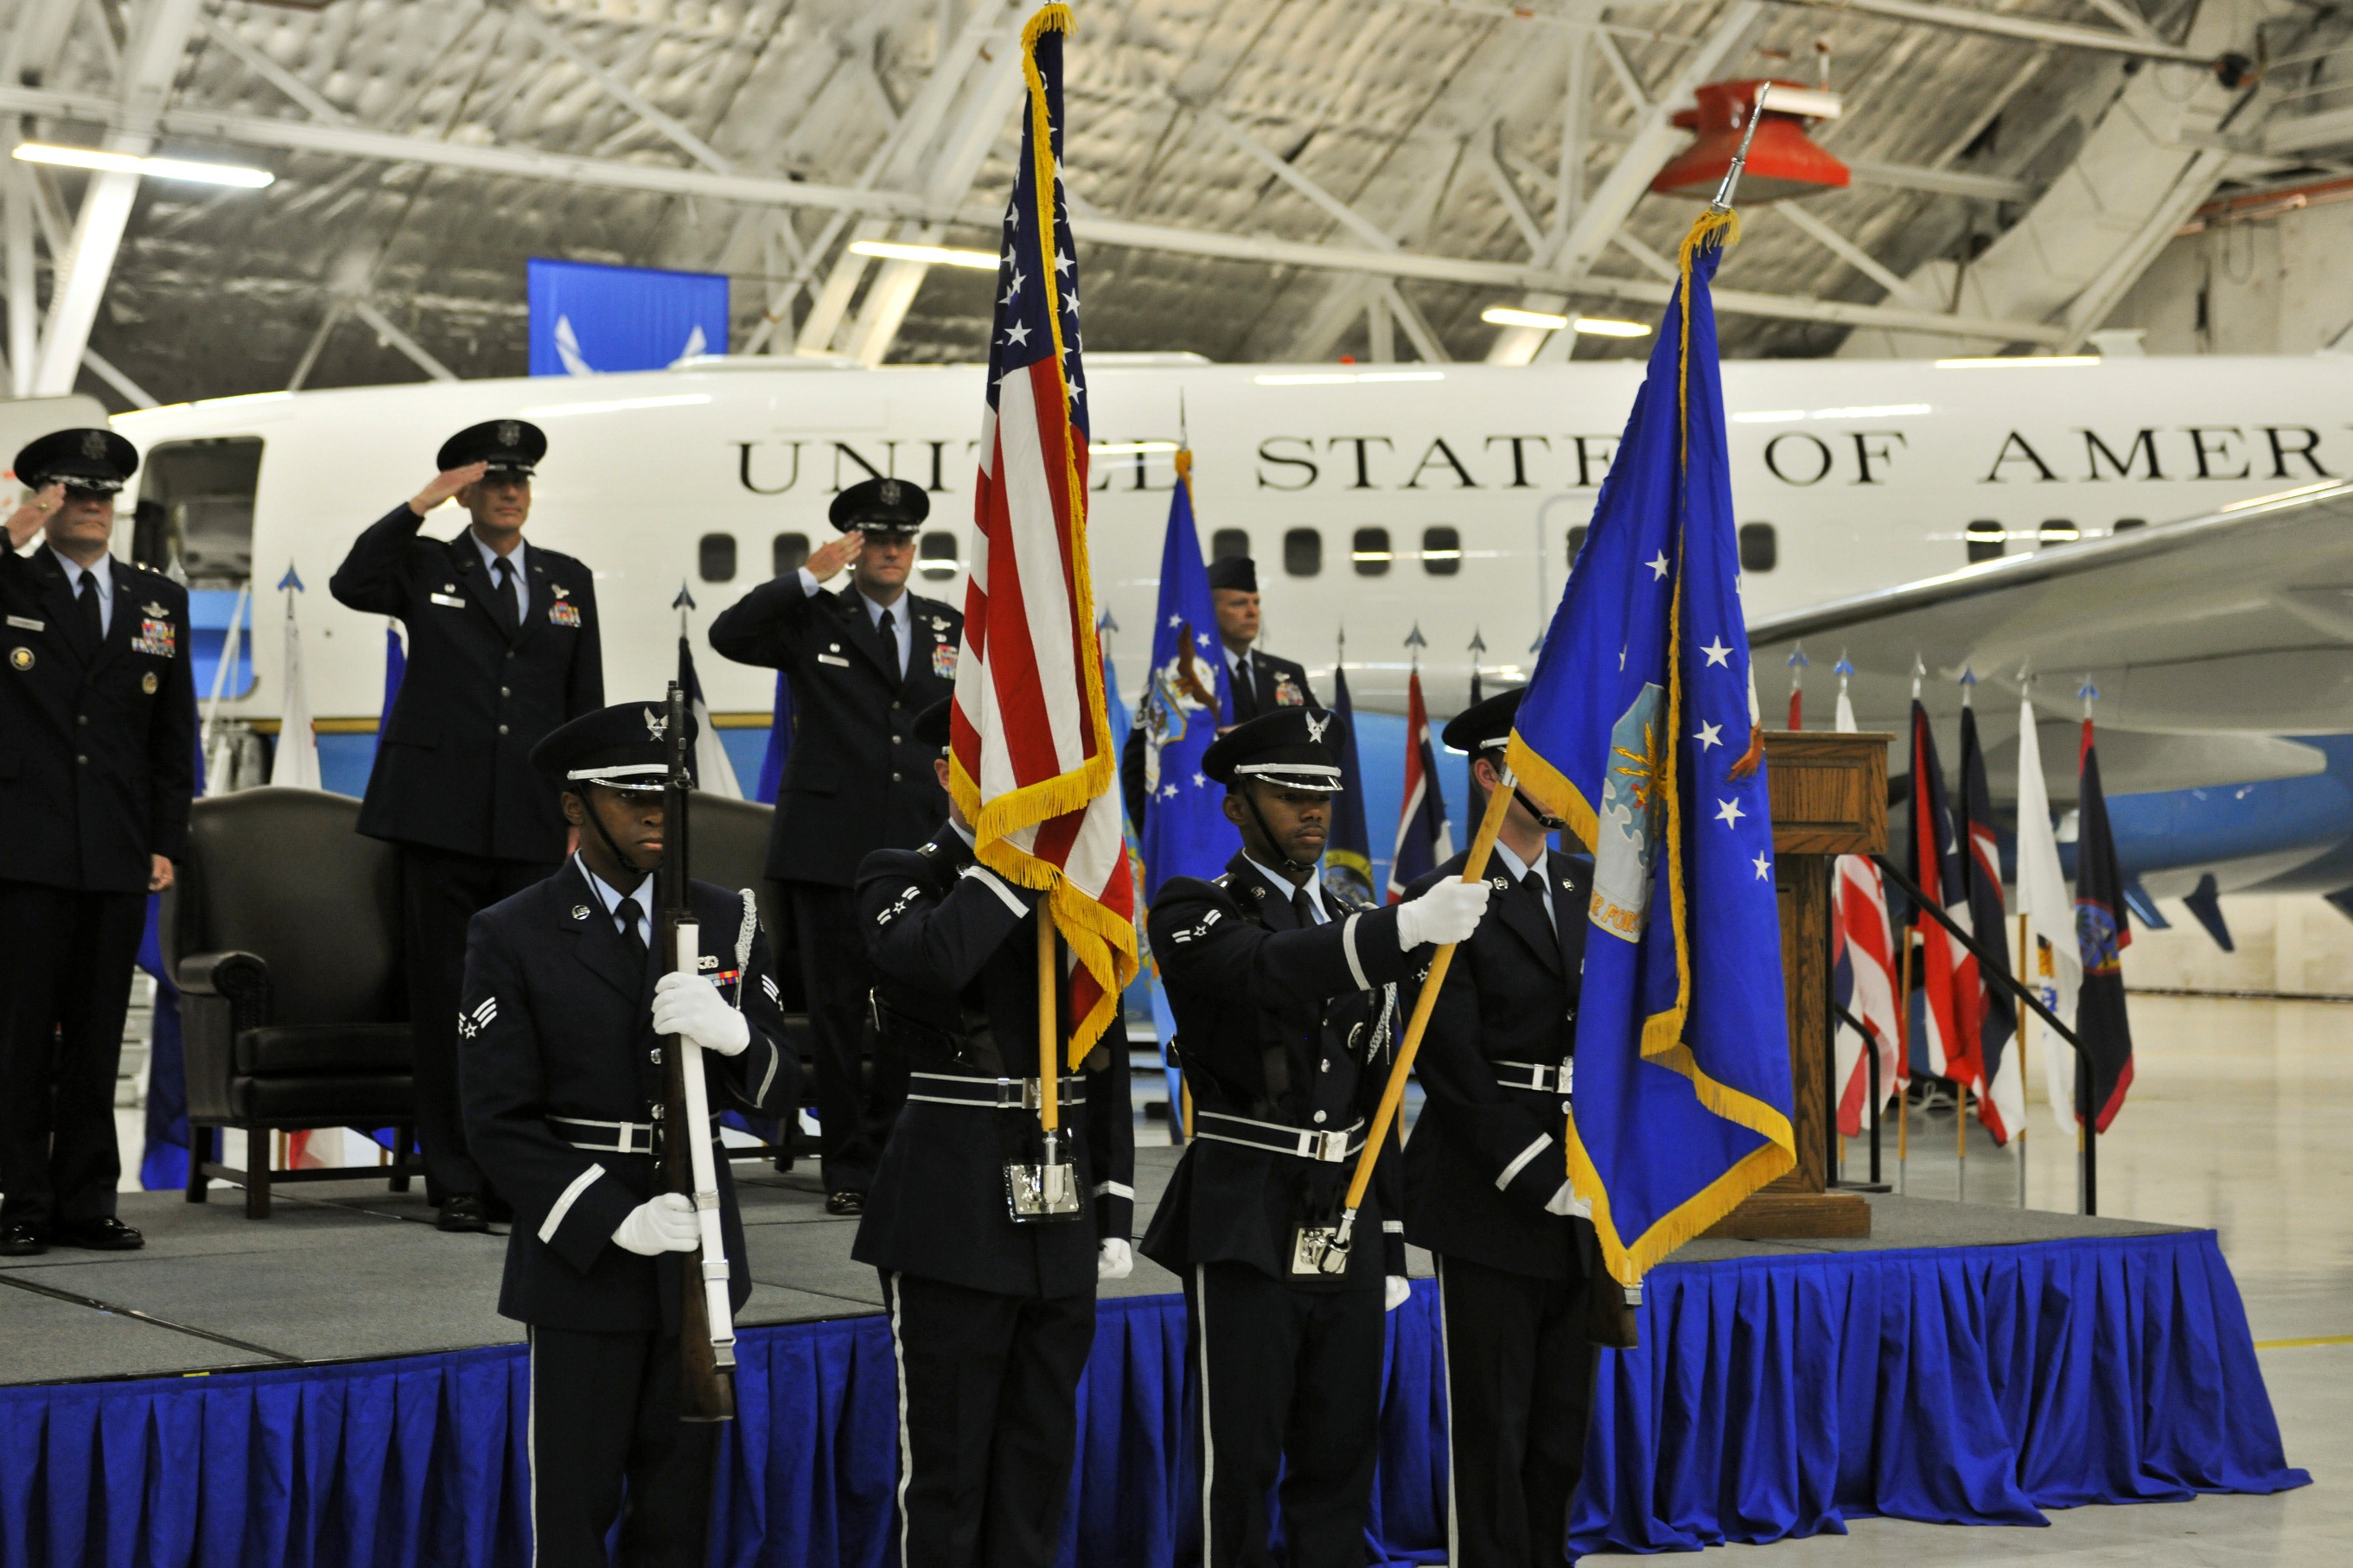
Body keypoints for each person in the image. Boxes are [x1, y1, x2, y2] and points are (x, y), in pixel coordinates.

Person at [1143, 707, 1491, 1568]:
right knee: (1242, 1454)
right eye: (1287, 792)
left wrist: (1391, 1238)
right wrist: (1398, 933)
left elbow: (1381, 1083)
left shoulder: (1350, 912)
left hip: (1348, 1213)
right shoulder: (1195, 906)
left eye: (1322, 794)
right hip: (1245, 1210)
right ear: (1235, 806)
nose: (1312, 810)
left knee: (1340, 1453)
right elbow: (1264, 970)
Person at [458, 701, 794, 1568]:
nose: (656, 813)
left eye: (669, 794)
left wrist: (739, 1037)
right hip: (584, 1256)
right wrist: (614, 1215)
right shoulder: (513, 930)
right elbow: (497, 1119)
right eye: (630, 794)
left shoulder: (726, 920)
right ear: (575, 805)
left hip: (700, 1250)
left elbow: (782, 1091)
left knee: (679, 1514)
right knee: (573, 1509)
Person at [853, 698, 1134, 1566]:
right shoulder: (897, 871)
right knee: (947, 1469)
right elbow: (931, 961)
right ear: (947, 772)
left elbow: (1104, 1049)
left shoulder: (1069, 889)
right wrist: (1011, 862)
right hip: (952, 1210)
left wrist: (1115, 1202)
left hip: (1060, 1208)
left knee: (1036, 1459)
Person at [329, 419, 603, 1233]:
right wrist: (420, 504)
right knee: (447, 1002)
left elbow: (579, 703)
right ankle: (452, 1178)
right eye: (491, 480)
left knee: (525, 1006)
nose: (509, 492)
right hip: (438, 819)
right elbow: (352, 582)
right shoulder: (424, 562)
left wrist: (582, 815)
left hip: (529, 825)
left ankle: (514, 1176)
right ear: (466, 490)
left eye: (519, 480)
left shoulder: (566, 579)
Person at [707, 475, 961, 1215]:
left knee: (914, 1011)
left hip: (921, 849)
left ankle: (899, 1153)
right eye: (874, 539)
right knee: (839, 1015)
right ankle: (849, 1167)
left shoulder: (949, 627)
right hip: (830, 851)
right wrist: (806, 577)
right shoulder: (814, 619)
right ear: (852, 548)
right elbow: (729, 635)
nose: (891, 550)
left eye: (902, 539)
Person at [1401, 685, 1601, 1568]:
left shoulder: (1585, 882)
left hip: (1582, 1175)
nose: (1561, 781)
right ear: (1489, 775)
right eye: (1536, 765)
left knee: (1561, 1426)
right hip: (1491, 1187)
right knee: (1494, 1423)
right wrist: (1531, 1169)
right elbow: (1447, 1064)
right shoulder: (1448, 896)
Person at [0, 430, 194, 1257]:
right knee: (18, 1032)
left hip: (114, 847)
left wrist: (164, 840)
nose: (92, 507)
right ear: (43, 500)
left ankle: (87, 1199)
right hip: (23, 846)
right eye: (73, 493)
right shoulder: (11, 574)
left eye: (103, 494)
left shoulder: (157, 601)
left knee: (97, 1032)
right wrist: (11, 530)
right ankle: (21, 1200)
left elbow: (168, 737)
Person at [1121, 553, 1317, 833]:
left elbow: (1314, 749)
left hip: (1277, 836)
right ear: (1210, 612)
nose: (1252, 612)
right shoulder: (1180, 678)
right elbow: (1138, 765)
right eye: (1238, 603)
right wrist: (1156, 840)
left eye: (1256, 603)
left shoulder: (1286, 674)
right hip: (1204, 835)